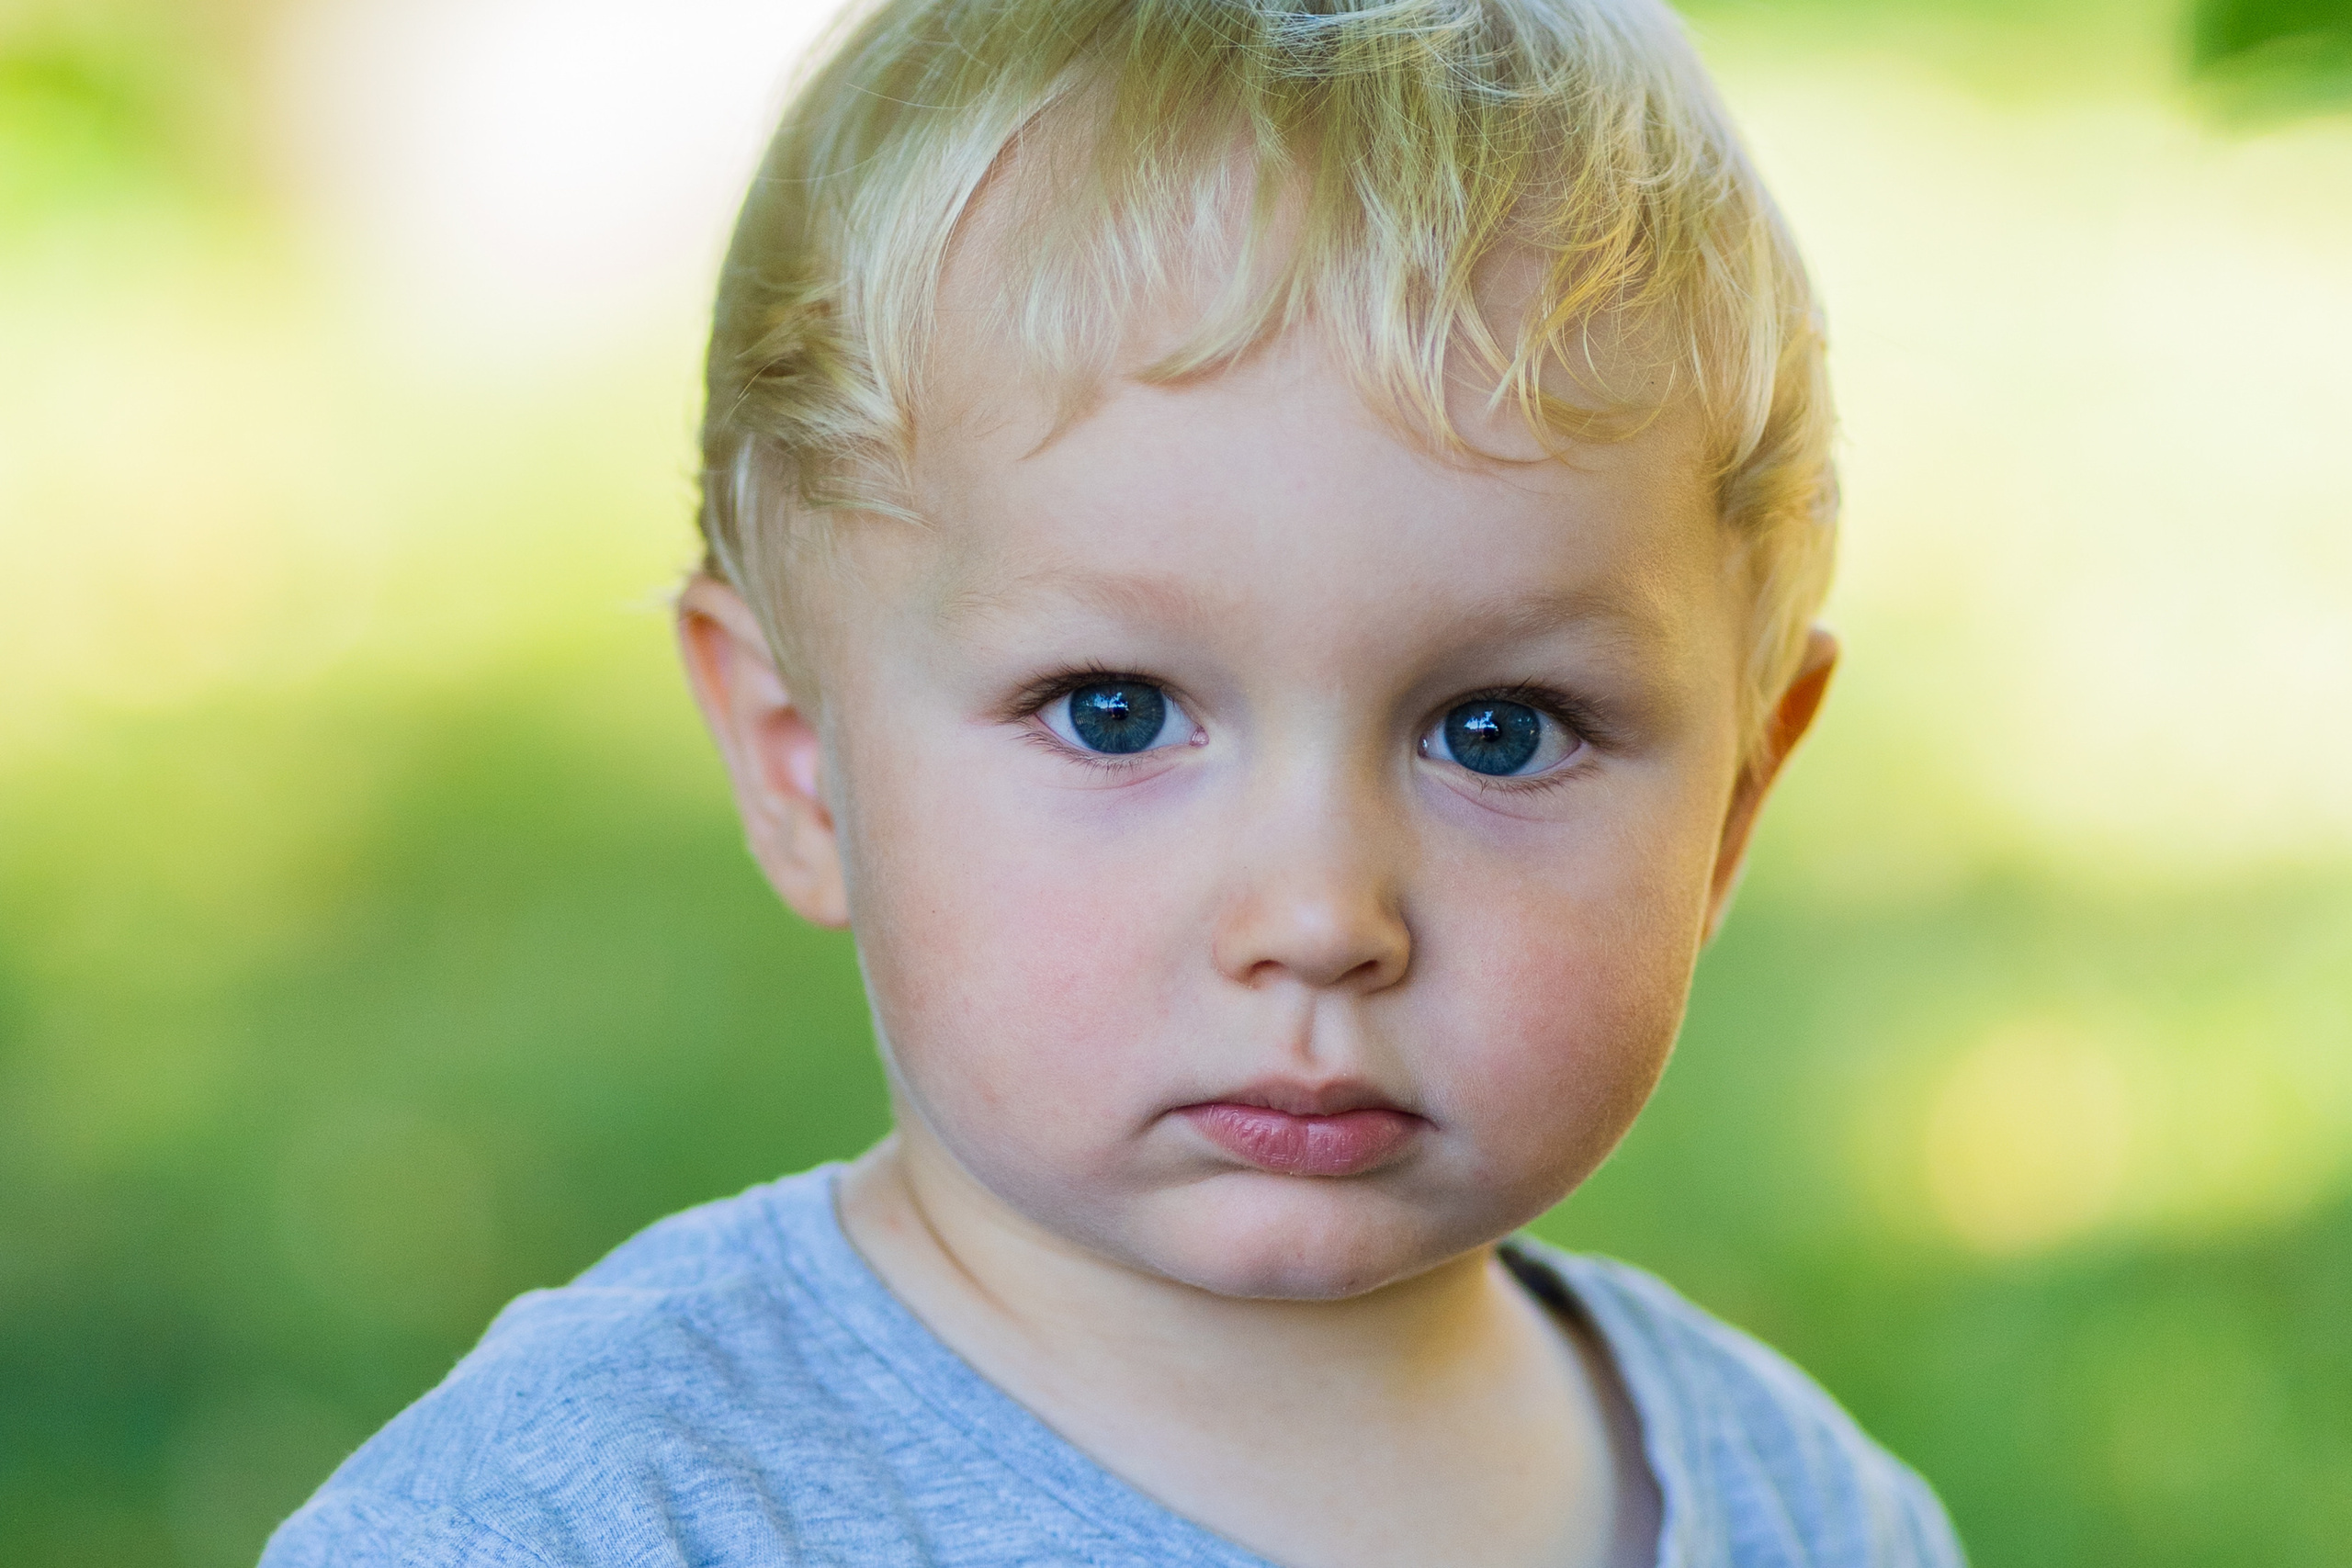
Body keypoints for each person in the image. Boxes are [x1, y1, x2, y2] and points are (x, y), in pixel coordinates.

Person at [265, 1, 1965, 1563]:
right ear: (802, 761)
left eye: (1497, 731)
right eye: (1116, 712)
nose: (1316, 917)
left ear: (1737, 802)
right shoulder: (595, 1517)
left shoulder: (1806, 1515)